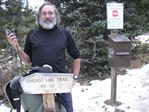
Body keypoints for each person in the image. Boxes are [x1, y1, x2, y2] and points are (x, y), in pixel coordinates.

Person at [6, 1, 80, 112]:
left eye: (50, 13)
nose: (47, 16)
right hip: (37, 84)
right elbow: (28, 61)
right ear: (39, 16)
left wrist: (75, 77)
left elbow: (76, 57)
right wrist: (17, 46)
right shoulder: (32, 34)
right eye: (44, 13)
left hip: (61, 83)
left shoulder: (65, 34)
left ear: (55, 15)